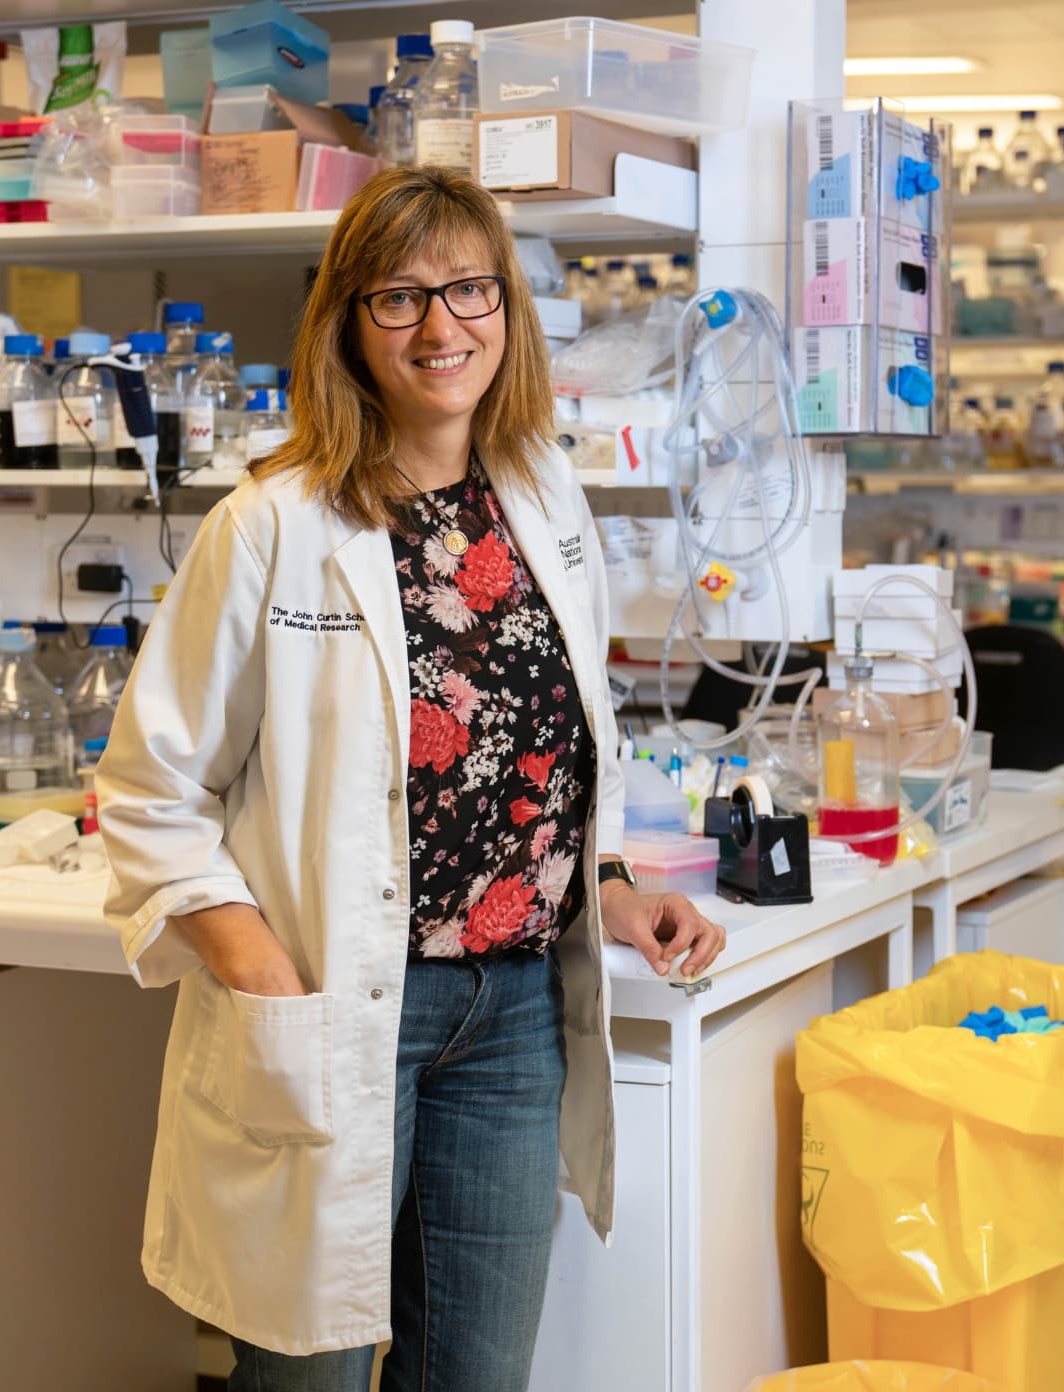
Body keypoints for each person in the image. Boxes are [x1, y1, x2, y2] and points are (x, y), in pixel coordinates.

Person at [97, 166, 727, 1391]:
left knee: (476, 1375)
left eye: (466, 289)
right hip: (341, 1010)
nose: (440, 327)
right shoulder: (275, 524)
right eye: (397, 297)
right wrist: (265, 972)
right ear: (348, 321)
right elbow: (149, 790)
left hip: (512, 1022)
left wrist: (608, 884)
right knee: (313, 1373)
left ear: (506, 306)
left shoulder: (542, 495)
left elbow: (543, 755)